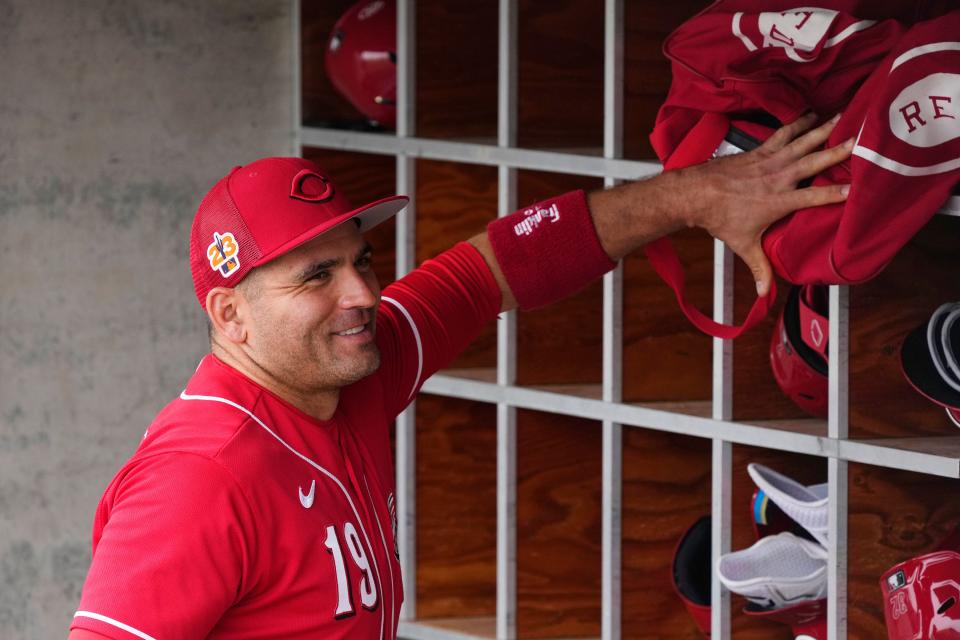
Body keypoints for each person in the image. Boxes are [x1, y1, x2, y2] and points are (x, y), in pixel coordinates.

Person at [68, 114, 852, 640]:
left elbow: (493, 268)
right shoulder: (200, 478)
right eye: (316, 276)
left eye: (361, 261)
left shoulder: (344, 376)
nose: (364, 295)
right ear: (230, 315)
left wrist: (693, 195)